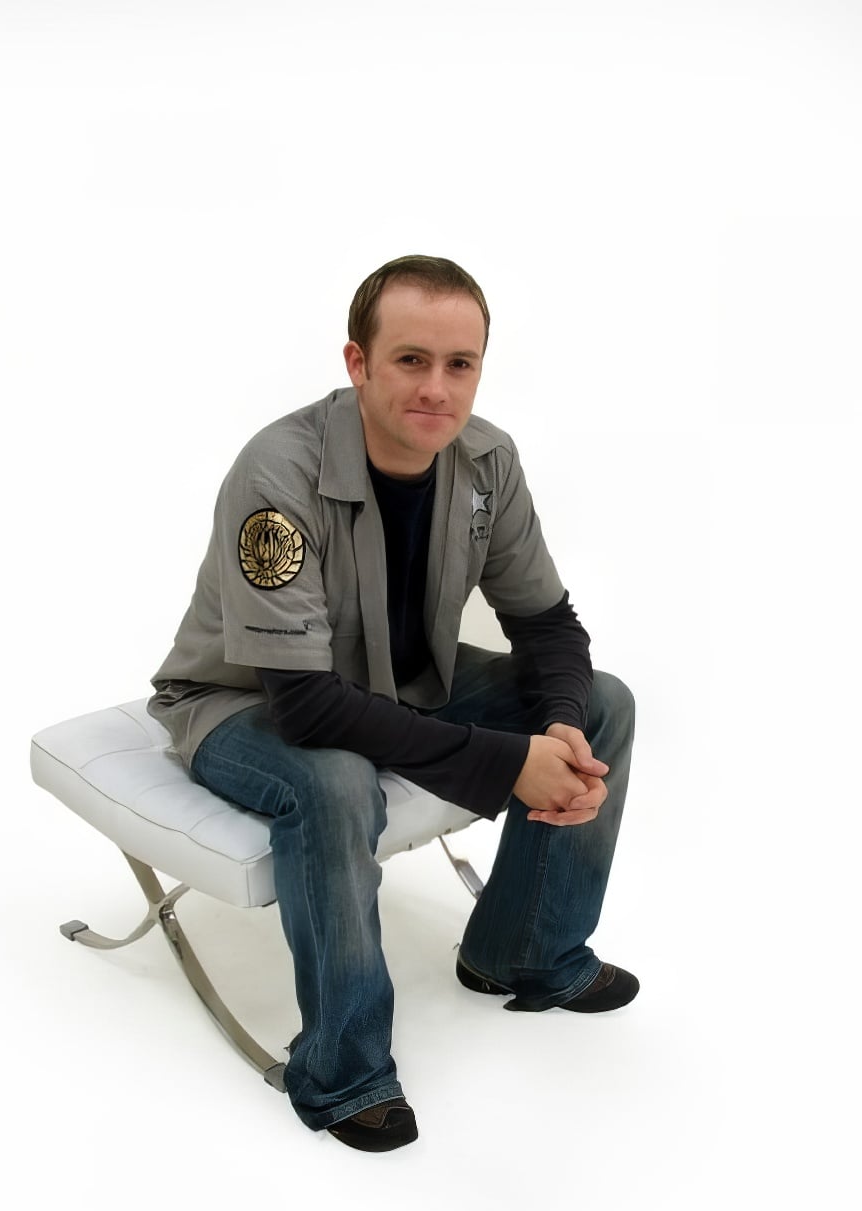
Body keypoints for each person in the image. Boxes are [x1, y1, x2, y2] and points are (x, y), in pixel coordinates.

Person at [149, 255, 637, 1153]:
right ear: (358, 362)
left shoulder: (488, 460)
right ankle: (343, 1072)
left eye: (460, 363)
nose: (436, 388)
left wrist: (560, 726)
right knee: (336, 780)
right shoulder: (278, 473)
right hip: (242, 702)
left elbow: (548, 625)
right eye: (411, 359)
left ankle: (526, 950)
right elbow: (306, 707)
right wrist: (507, 764)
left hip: (400, 683)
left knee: (603, 701)